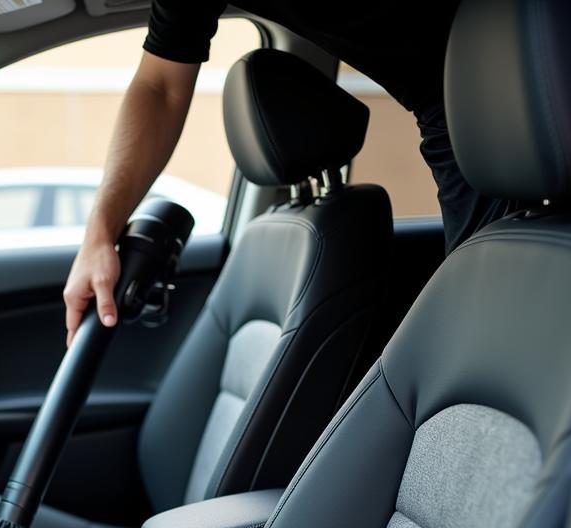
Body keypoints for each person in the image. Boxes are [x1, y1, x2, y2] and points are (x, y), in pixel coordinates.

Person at [63, 0, 513, 342]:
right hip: (457, 125)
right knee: (485, 334)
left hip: (520, 77)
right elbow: (161, 85)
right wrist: (99, 234)